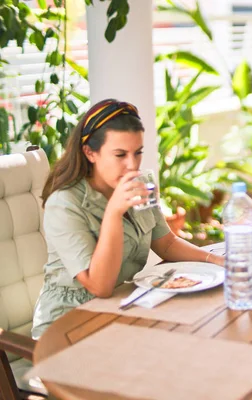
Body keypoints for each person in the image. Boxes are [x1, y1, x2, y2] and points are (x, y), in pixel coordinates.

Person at [32, 99, 224, 339]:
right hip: (68, 322)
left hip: (122, 305)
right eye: (120, 154)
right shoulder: (64, 204)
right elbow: (99, 286)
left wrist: (215, 260)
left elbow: (166, 243)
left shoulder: (139, 183)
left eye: (138, 152)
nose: (132, 165)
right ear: (90, 152)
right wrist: (113, 212)